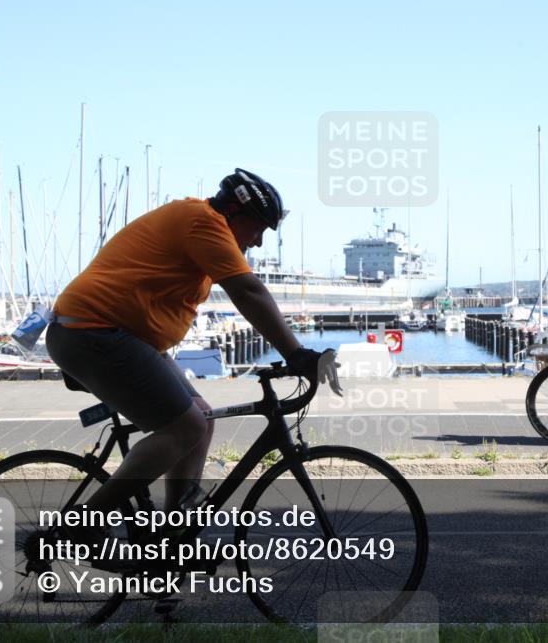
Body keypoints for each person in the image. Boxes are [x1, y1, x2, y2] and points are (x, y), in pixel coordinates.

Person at [46, 168, 341, 530]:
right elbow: (249, 293)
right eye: (259, 227)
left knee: (202, 417)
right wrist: (296, 354)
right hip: (93, 332)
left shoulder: (203, 228)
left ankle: (173, 534)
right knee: (184, 427)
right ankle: (82, 525)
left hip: (119, 336)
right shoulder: (202, 222)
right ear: (235, 211)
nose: (259, 241)